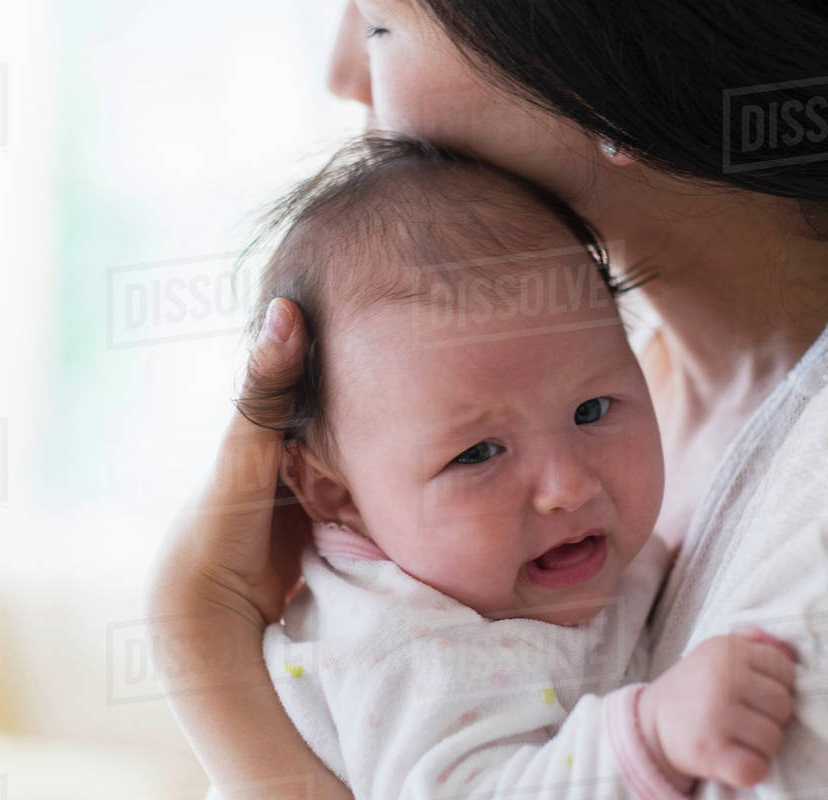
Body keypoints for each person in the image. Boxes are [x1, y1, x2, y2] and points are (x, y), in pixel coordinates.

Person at [147, 1, 828, 798]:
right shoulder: (613, 392)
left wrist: (203, 638)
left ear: (603, 60)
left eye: (384, 25)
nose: (341, 73)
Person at [248, 132, 797, 799]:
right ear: (338, 497)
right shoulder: (405, 645)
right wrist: (645, 737)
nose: (567, 487)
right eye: (477, 455)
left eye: (593, 409)